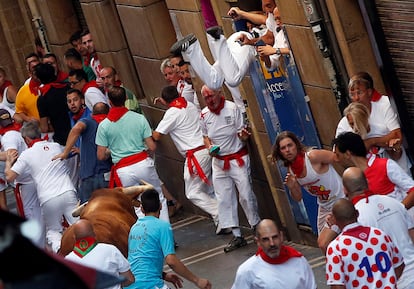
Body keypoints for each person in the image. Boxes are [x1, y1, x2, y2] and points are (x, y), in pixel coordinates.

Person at [153, 86, 225, 234]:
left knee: (192, 192)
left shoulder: (171, 113)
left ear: (166, 100)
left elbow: (157, 135)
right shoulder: (190, 105)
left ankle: (221, 213)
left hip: (195, 155)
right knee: (208, 188)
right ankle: (223, 223)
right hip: (206, 149)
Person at [200, 85, 261, 252]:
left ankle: (256, 226)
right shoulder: (204, 114)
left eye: (211, 96)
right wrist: (210, 147)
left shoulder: (232, 108)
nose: (210, 100)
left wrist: (243, 136)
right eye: (206, 98)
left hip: (237, 158)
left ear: (220, 93)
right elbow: (205, 136)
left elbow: (243, 132)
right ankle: (237, 234)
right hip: (219, 161)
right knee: (224, 198)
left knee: (246, 194)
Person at [95, 86, 169, 221]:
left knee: (136, 204)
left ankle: (147, 237)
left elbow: (100, 156)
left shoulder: (104, 125)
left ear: (109, 102)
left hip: (123, 170)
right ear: (126, 99)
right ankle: (166, 234)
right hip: (143, 163)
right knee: (158, 197)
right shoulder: (139, 118)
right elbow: (152, 146)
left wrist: (113, 150)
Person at [5, 121, 79, 252]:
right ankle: (87, 253)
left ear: (27, 139)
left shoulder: (26, 155)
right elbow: (70, 152)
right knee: (78, 225)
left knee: (54, 232)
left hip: (48, 198)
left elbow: (9, 176)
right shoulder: (55, 146)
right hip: (68, 191)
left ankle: (61, 256)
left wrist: (9, 162)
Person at [271, 131, 345, 252]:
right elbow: (298, 197)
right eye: (283, 148)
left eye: (290, 145)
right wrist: (292, 186)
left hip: (340, 201)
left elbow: (338, 158)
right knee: (325, 246)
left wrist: (349, 180)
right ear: (280, 152)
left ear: (296, 145)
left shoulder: (313, 157)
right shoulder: (292, 170)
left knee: (324, 243)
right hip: (325, 206)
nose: (287, 150)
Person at [342, 167, 414, 289]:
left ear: (345, 189)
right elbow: (412, 234)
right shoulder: (394, 202)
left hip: (392, 280)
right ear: (367, 182)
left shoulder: (356, 217)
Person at [127, 188, 212, 289]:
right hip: (150, 285)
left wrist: (163, 275)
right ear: (161, 206)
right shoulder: (162, 226)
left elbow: (138, 260)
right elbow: (171, 261)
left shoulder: (134, 228)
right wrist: (197, 280)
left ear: (142, 209)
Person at [335, 71, 411, 174]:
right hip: (372, 180)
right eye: (352, 94)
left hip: (399, 172)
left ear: (369, 92)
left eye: (359, 93)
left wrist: (371, 142)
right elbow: (338, 155)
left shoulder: (383, 107)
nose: (356, 98)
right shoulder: (344, 124)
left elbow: (396, 137)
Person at [170, 28, 254, 115]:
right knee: (232, 80)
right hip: (247, 41)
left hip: (234, 46)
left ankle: (192, 47)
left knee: (214, 83)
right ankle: (218, 39)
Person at [325, 198, 405, 289]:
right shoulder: (379, 234)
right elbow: (399, 264)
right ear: (357, 214)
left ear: (334, 220)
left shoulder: (335, 248)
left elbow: (337, 286)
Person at [332, 132, 414, 213]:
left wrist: (397, 212)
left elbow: (412, 190)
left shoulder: (385, 165)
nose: (336, 160)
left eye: (338, 155)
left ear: (347, 154)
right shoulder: (350, 179)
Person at [0, 109, 45, 247]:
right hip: (33, 177)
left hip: (25, 181)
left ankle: (35, 247)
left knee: (31, 216)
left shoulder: (8, 136)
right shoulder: (16, 131)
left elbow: (11, 154)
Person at [231, 219, 317, 289]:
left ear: (281, 236)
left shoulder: (299, 261)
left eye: (275, 237)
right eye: (266, 239)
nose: (272, 243)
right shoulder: (247, 271)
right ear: (258, 242)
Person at [53, 102, 112, 203]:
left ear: (92, 113)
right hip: (106, 175)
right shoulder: (111, 124)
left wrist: (65, 153)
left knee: (87, 212)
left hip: (88, 177)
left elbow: (77, 128)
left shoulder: (88, 121)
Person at [65, 219, 134, 289]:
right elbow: (130, 279)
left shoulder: (67, 260)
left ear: (74, 237)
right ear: (94, 234)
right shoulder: (110, 250)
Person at [35, 63, 72, 146]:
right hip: (78, 131)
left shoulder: (42, 98)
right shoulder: (68, 87)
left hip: (62, 139)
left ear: (39, 79)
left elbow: (44, 128)